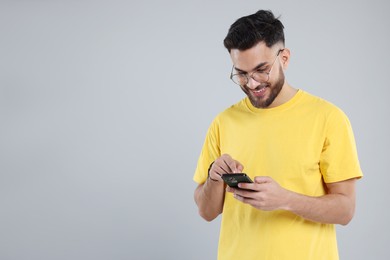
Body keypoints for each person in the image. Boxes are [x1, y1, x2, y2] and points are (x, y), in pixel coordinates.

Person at [193, 10, 363, 260]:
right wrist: (214, 177)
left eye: (261, 69)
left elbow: (345, 210)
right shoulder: (224, 122)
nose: (251, 83)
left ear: (284, 58)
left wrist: (286, 200)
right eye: (241, 73)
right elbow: (206, 212)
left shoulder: (329, 118)